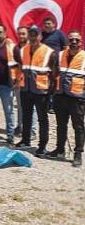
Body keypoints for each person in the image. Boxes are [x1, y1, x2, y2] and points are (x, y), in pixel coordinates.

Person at [15, 25, 57, 157]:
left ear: (40, 36)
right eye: (31, 34)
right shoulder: (23, 50)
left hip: (41, 92)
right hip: (26, 89)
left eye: (35, 34)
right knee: (26, 117)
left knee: (42, 119)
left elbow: (55, 73)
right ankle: (25, 140)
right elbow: (20, 68)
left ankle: (42, 146)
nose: (33, 37)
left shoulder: (49, 52)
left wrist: (52, 90)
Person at [50, 30, 84, 167]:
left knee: (79, 127)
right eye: (71, 40)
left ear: (80, 42)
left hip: (77, 98)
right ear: (68, 41)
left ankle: (78, 153)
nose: (74, 42)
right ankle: (60, 149)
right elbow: (55, 72)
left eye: (76, 40)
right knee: (61, 125)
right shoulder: (60, 55)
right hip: (61, 96)